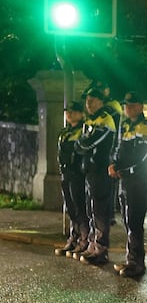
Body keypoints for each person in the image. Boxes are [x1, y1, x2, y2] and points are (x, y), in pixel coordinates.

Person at [108, 92, 147, 278]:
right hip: (125, 178)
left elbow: (142, 157)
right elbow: (118, 148)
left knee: (135, 220)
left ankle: (137, 263)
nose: (127, 108)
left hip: (138, 179)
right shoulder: (125, 125)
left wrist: (123, 169)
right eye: (126, 105)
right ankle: (131, 260)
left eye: (132, 105)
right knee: (128, 220)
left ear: (140, 106)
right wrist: (113, 164)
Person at [74, 88, 117, 265]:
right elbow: (80, 143)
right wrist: (82, 144)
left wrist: (82, 144)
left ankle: (101, 248)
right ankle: (92, 244)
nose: (89, 104)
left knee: (100, 210)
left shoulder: (105, 120)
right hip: (90, 170)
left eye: (93, 100)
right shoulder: (89, 120)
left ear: (101, 102)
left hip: (101, 170)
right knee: (91, 208)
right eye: (87, 101)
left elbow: (89, 142)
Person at [55, 101, 89, 258]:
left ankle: (84, 240)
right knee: (70, 208)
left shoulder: (83, 131)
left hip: (77, 174)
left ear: (81, 114)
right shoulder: (65, 132)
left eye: (73, 112)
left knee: (79, 208)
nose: (69, 114)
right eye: (67, 111)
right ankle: (73, 238)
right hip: (66, 173)